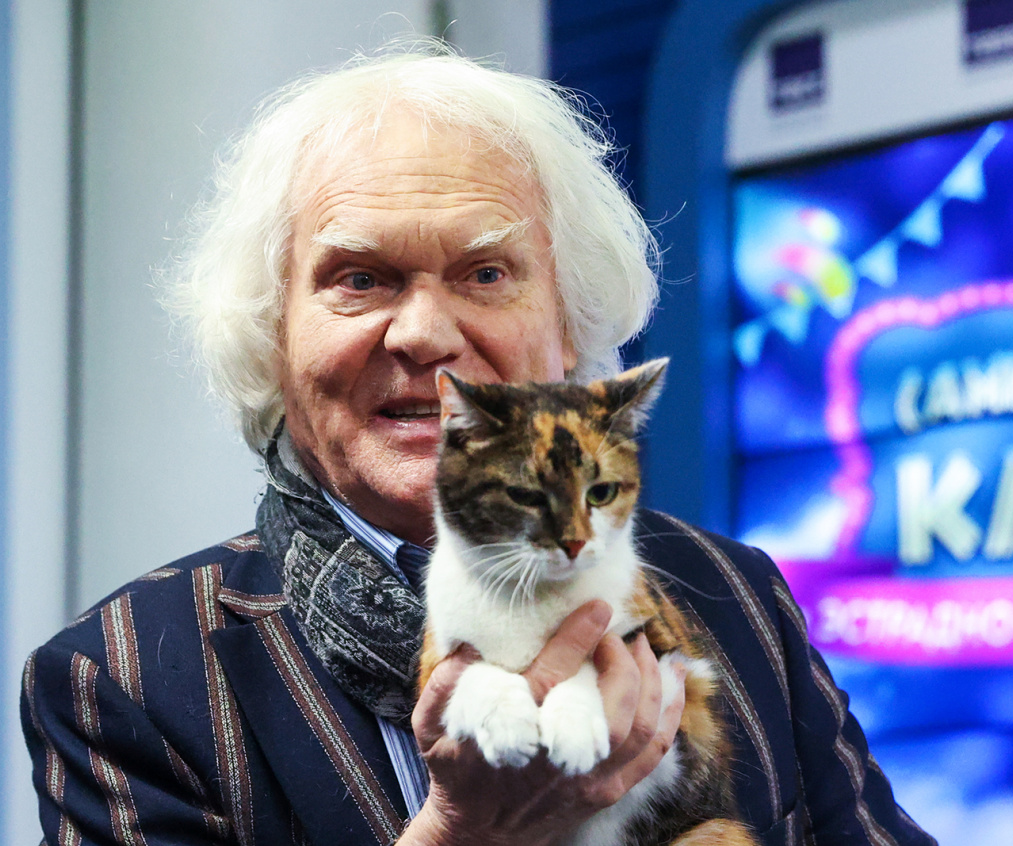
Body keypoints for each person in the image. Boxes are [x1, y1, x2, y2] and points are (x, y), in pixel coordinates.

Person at [21, 44, 936, 846]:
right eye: (360, 278)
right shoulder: (129, 677)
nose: (425, 334)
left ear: (568, 327)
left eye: (487, 272)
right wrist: (464, 835)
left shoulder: (737, 597)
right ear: (273, 338)